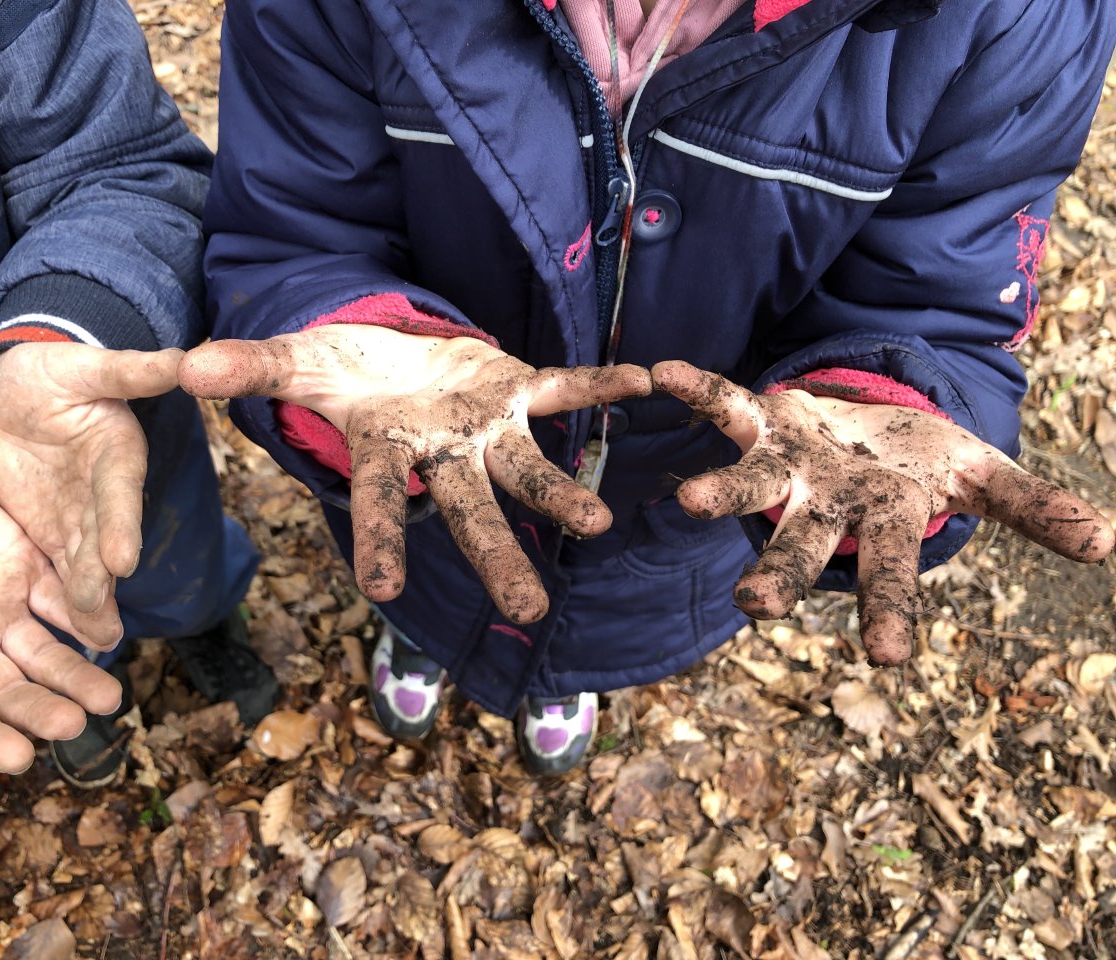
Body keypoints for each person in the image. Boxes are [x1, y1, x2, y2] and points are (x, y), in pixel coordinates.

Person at [180, 0, 1116, 775]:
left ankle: (562, 683)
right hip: (422, 459)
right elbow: (299, 219)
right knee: (420, 572)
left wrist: (882, 398)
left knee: (589, 626)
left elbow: (941, 288)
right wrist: (360, 329)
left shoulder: (1016, 15)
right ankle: (419, 640)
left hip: (679, 513)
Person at [0, 3, 279, 949]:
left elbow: (119, 157)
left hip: (88, 403)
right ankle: (80, 701)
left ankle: (207, 625)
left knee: (165, 549)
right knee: (33, 630)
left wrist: (59, 327)